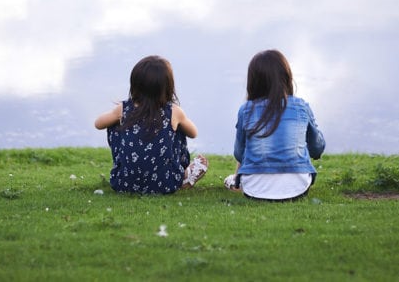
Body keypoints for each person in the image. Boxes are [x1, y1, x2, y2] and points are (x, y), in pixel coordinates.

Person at [94, 55, 208, 194]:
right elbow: (193, 133)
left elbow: (98, 124)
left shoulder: (124, 109)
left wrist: (119, 115)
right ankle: (182, 174)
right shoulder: (173, 111)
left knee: (114, 123)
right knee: (178, 128)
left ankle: (127, 170)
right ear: (167, 86)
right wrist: (177, 122)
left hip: (123, 183)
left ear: (135, 84)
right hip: (166, 184)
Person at [225, 49, 326, 201]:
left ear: (253, 81)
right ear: (286, 77)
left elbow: (239, 153)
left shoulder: (246, 110)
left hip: (254, 189)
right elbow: (317, 148)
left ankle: (234, 182)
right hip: (298, 187)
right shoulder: (301, 107)